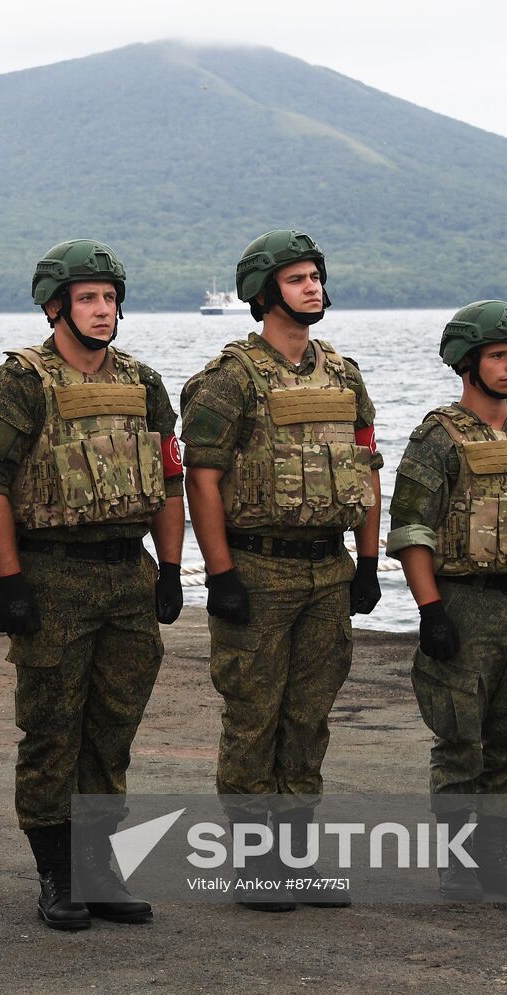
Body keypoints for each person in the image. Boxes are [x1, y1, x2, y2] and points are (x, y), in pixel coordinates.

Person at [0, 239, 185, 931]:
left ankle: (99, 868)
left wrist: (171, 568)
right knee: (52, 731)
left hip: (126, 574)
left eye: (110, 298)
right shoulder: (18, 385)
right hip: (52, 575)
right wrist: (9, 581)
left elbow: (169, 480)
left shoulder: (144, 383)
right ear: (55, 307)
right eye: (87, 298)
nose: (102, 310)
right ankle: (57, 875)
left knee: (112, 731)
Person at [180, 229, 382, 912]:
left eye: (316, 276)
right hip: (259, 569)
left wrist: (368, 561)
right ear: (264, 294)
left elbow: (367, 468)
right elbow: (202, 480)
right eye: (297, 279)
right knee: (253, 718)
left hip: (328, 569)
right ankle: (254, 862)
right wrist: (220, 574)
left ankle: (295, 859)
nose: (313, 288)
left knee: (308, 718)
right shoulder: (229, 379)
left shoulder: (344, 375)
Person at [386, 300, 507, 901]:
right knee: (459, 739)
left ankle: (493, 855)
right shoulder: (437, 439)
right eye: (498, 355)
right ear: (466, 362)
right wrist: (430, 611)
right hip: (464, 603)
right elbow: (412, 530)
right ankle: (455, 863)